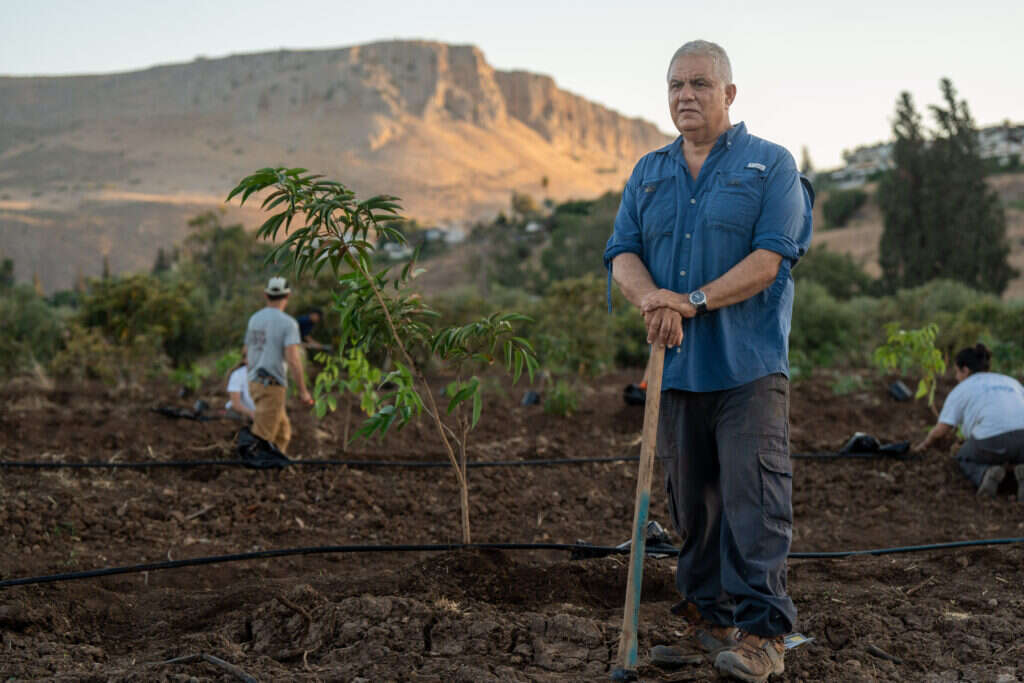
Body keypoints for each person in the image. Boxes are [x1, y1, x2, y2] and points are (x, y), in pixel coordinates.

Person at [603, 40, 813, 683]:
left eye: (698, 83)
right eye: (674, 86)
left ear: (729, 94)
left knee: (754, 500)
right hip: (677, 371)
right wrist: (651, 300)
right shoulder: (649, 172)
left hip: (748, 369)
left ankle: (765, 636)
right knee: (692, 506)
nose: (684, 96)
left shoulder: (770, 166)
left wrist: (689, 301)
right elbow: (623, 253)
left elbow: (770, 259)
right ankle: (709, 624)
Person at [912, 344, 1024, 500]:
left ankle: (985, 474)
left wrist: (924, 445)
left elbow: (941, 429)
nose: (957, 377)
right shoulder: (1011, 382)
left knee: (962, 456)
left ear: (965, 370)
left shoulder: (962, 388)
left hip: (991, 441)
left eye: (957, 371)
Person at [244, 277, 313, 454]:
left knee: (282, 434)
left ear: (266, 295)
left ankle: (276, 466)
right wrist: (303, 391)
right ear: (287, 296)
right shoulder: (288, 323)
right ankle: (255, 472)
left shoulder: (254, 319)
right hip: (272, 385)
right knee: (262, 437)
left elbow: (246, 352)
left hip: (254, 382)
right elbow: (293, 359)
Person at [224, 347, 255, 422]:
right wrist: (251, 413)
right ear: (245, 360)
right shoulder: (238, 375)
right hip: (242, 412)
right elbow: (236, 403)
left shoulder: (266, 374)